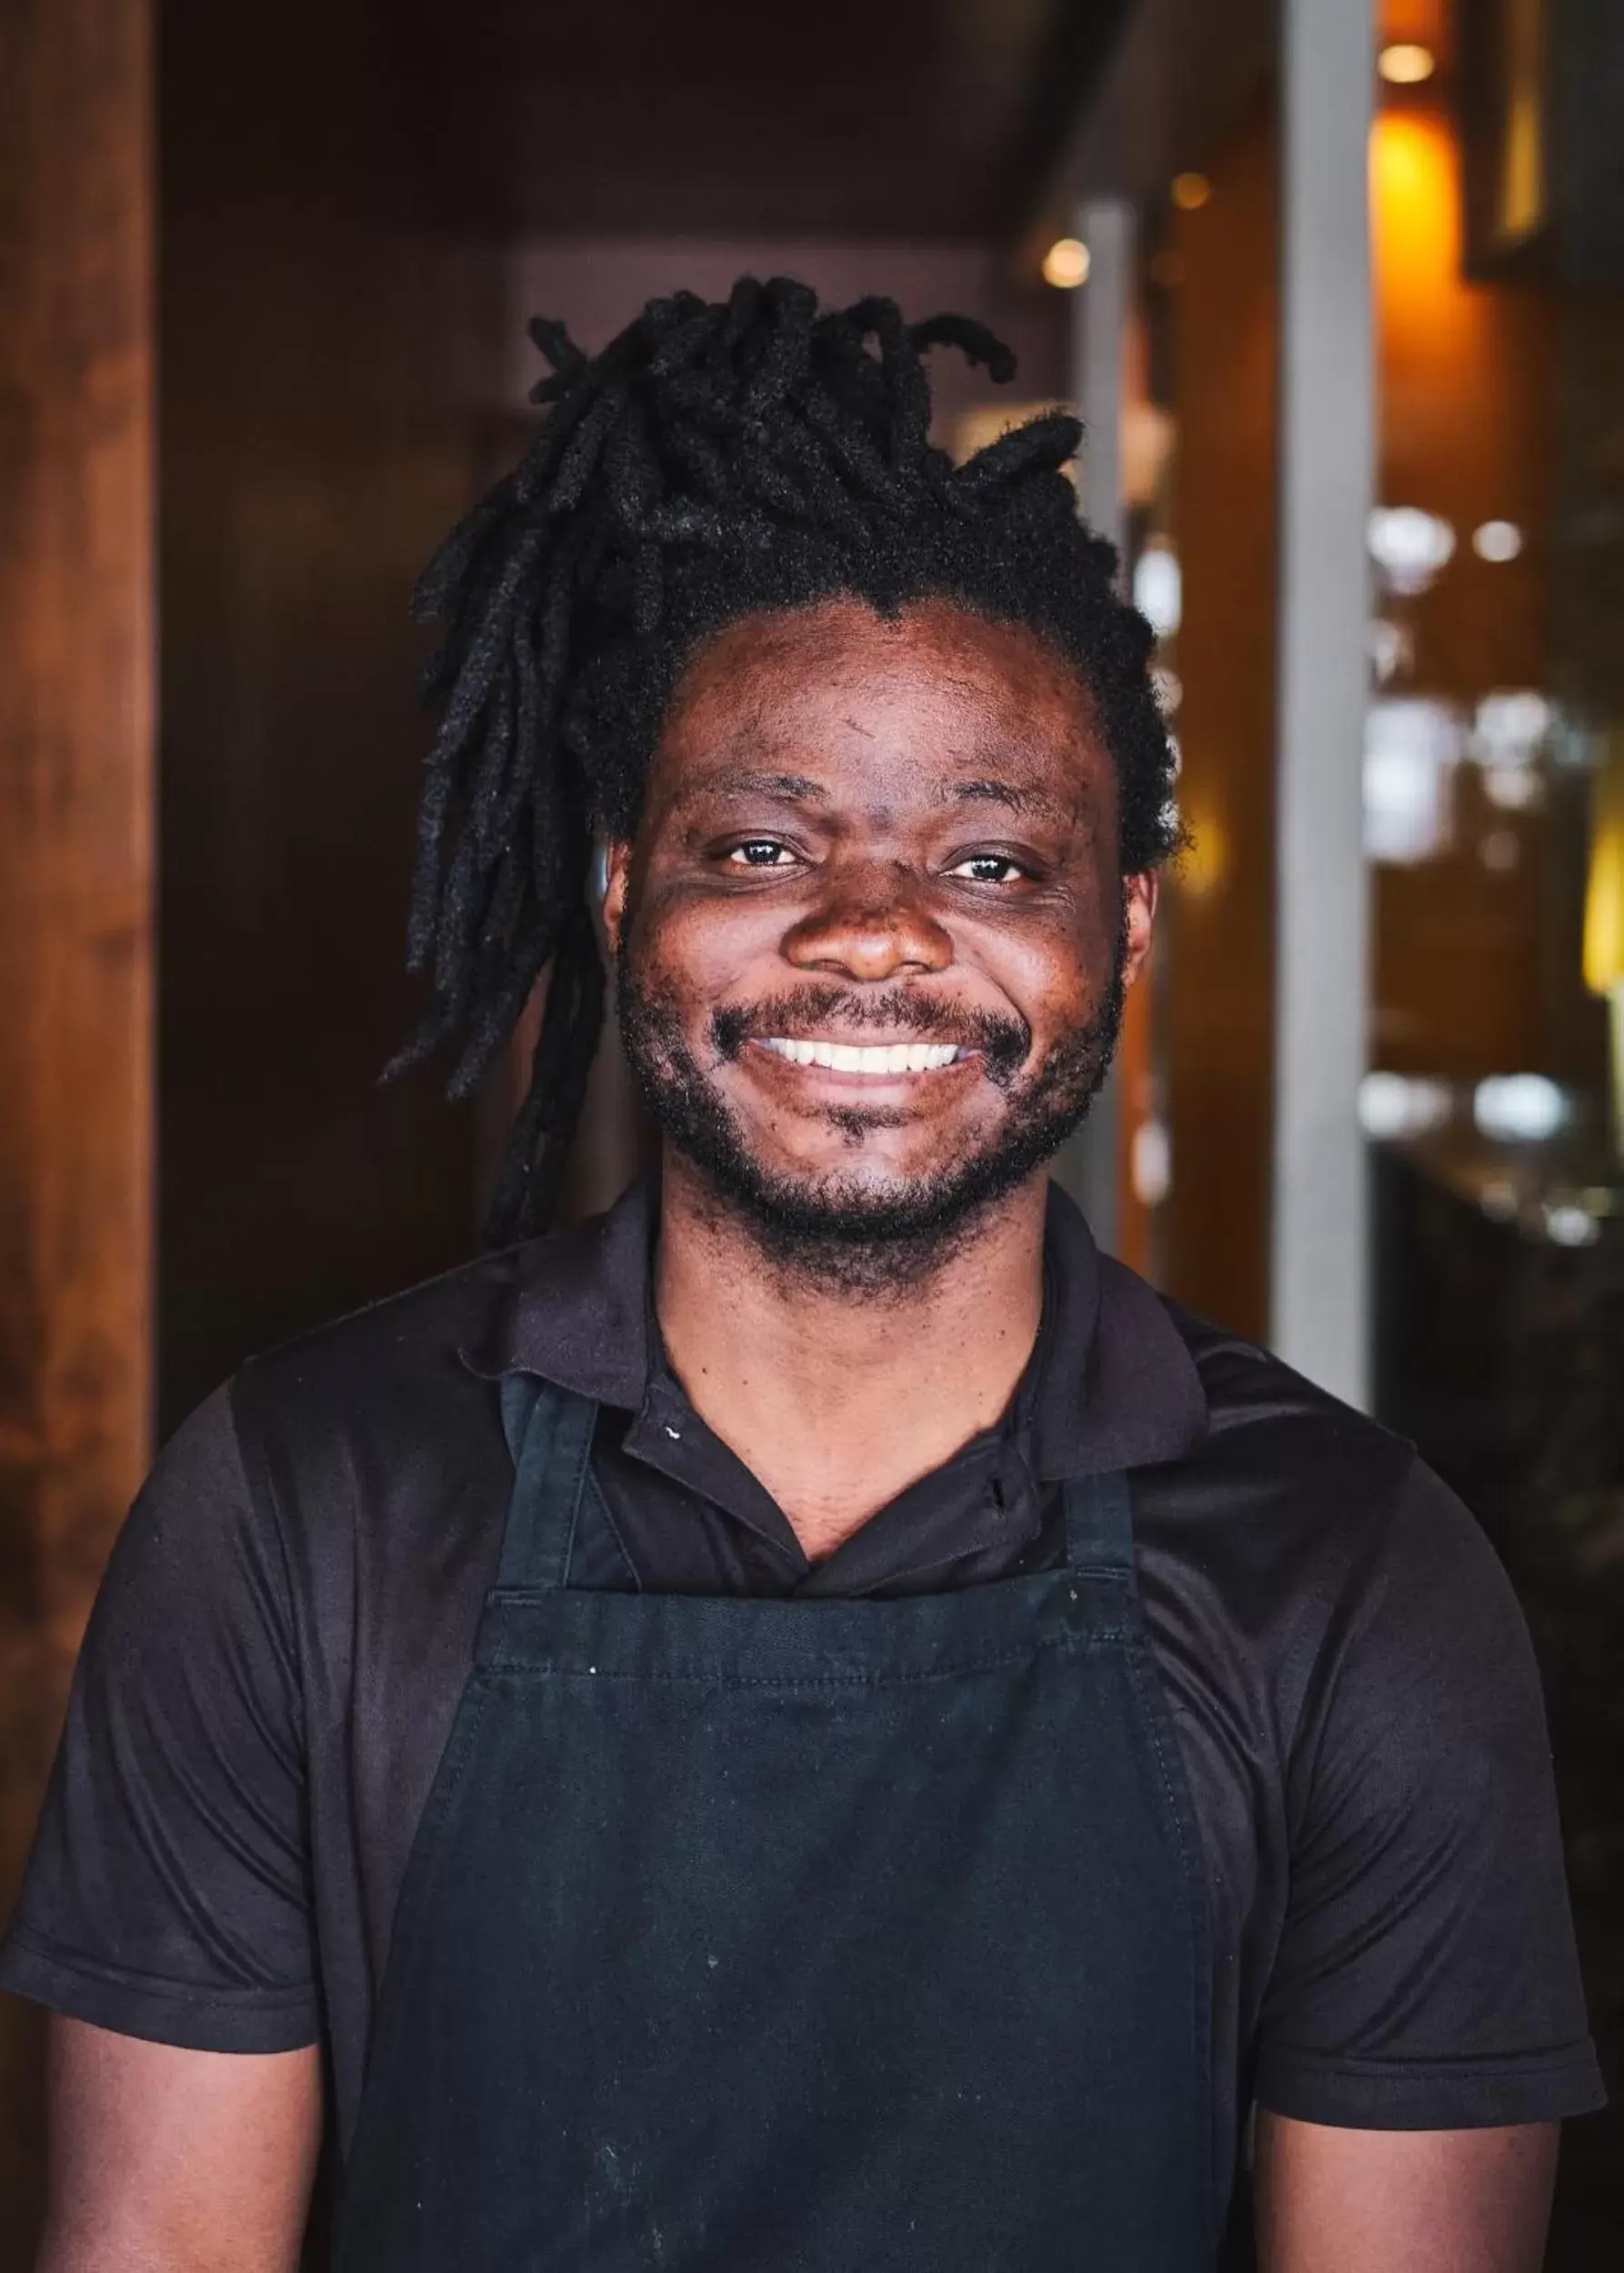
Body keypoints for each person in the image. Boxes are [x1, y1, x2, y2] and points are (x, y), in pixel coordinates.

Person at [2, 279, 1602, 2272]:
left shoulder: (1350, 1576)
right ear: (618, 892)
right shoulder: (301, 1509)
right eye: (762, 846)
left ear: (1118, 927)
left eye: (990, 864)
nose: (871, 937)